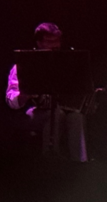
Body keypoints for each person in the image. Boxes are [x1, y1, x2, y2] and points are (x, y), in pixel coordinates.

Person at [5, 22, 87, 160]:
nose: (54, 46)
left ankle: (80, 162)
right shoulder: (24, 65)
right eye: (49, 42)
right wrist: (26, 94)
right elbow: (11, 99)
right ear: (39, 43)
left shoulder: (67, 64)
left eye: (57, 41)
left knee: (76, 117)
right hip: (32, 112)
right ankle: (50, 160)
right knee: (56, 114)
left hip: (61, 109)